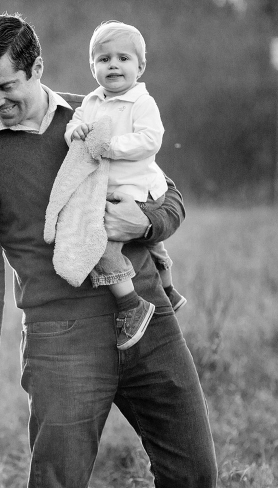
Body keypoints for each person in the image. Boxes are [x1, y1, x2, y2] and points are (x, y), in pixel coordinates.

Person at [0, 13, 217, 488]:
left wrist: (145, 223)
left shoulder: (95, 113)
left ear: (37, 68)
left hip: (147, 315)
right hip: (61, 337)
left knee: (194, 475)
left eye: (7, 86)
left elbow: (169, 196)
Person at [61, 20, 186, 350]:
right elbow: (76, 125)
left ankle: (132, 306)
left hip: (140, 190)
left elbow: (150, 139)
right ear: (93, 67)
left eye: (123, 58)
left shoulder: (141, 102)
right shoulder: (91, 102)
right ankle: (169, 292)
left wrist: (110, 146)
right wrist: (74, 132)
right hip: (114, 188)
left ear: (140, 66)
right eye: (104, 59)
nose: (113, 65)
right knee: (153, 246)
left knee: (101, 244)